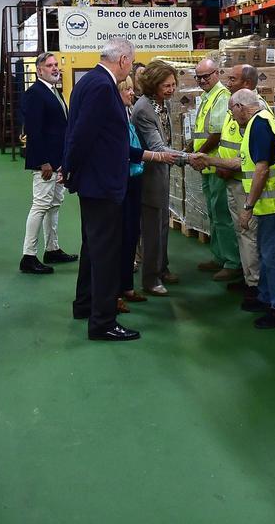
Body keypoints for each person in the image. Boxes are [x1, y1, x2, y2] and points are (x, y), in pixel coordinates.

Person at [65, 38, 168, 342]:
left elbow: (91, 134)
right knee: (106, 252)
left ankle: (85, 305)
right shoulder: (101, 86)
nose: (132, 72)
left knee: (92, 248)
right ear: (123, 60)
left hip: (95, 181)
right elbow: (82, 134)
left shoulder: (89, 81)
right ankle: (103, 322)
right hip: (102, 183)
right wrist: (70, 169)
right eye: (132, 63)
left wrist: (71, 169)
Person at [211, 89, 275, 329]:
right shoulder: (260, 122)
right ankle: (266, 298)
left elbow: (261, 169)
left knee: (272, 254)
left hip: (270, 203)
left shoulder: (258, 126)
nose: (231, 115)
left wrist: (247, 206)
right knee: (266, 251)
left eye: (232, 109)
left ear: (241, 107)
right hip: (267, 203)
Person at [117, 75, 174, 311]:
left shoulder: (133, 110)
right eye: (127, 89)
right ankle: (131, 285)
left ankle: (130, 285)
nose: (132, 93)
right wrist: (156, 156)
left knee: (139, 232)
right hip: (133, 179)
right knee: (135, 233)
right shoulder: (136, 111)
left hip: (140, 176)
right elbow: (131, 149)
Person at [131, 60, 187, 297]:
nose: (171, 89)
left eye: (173, 84)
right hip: (149, 176)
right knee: (153, 227)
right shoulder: (144, 109)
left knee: (162, 223)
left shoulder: (160, 105)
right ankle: (151, 279)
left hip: (161, 174)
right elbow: (157, 147)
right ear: (154, 85)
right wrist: (189, 158)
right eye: (167, 85)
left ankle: (161, 269)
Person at [19, 53, 77, 275]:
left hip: (58, 161)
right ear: (39, 70)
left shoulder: (55, 92)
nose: (55, 69)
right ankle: (28, 256)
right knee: (40, 206)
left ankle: (52, 249)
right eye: (49, 66)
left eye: (56, 65)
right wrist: (44, 161)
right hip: (45, 164)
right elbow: (34, 131)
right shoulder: (34, 94)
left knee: (54, 205)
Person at [189, 57, 242, 281]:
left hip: (216, 164)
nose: (202, 81)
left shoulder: (221, 96)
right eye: (198, 77)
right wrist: (190, 149)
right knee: (213, 213)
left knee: (222, 215)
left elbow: (217, 133)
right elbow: (202, 129)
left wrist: (199, 154)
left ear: (217, 73)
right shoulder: (207, 97)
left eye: (206, 76)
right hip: (206, 164)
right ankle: (219, 256)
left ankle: (232, 261)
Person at [218, 63, 264, 309]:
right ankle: (248, 278)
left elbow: (253, 158)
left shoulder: (255, 113)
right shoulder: (234, 106)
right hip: (232, 180)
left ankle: (256, 285)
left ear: (246, 84)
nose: (228, 82)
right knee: (241, 233)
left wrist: (223, 163)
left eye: (233, 79)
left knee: (249, 235)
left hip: (244, 182)